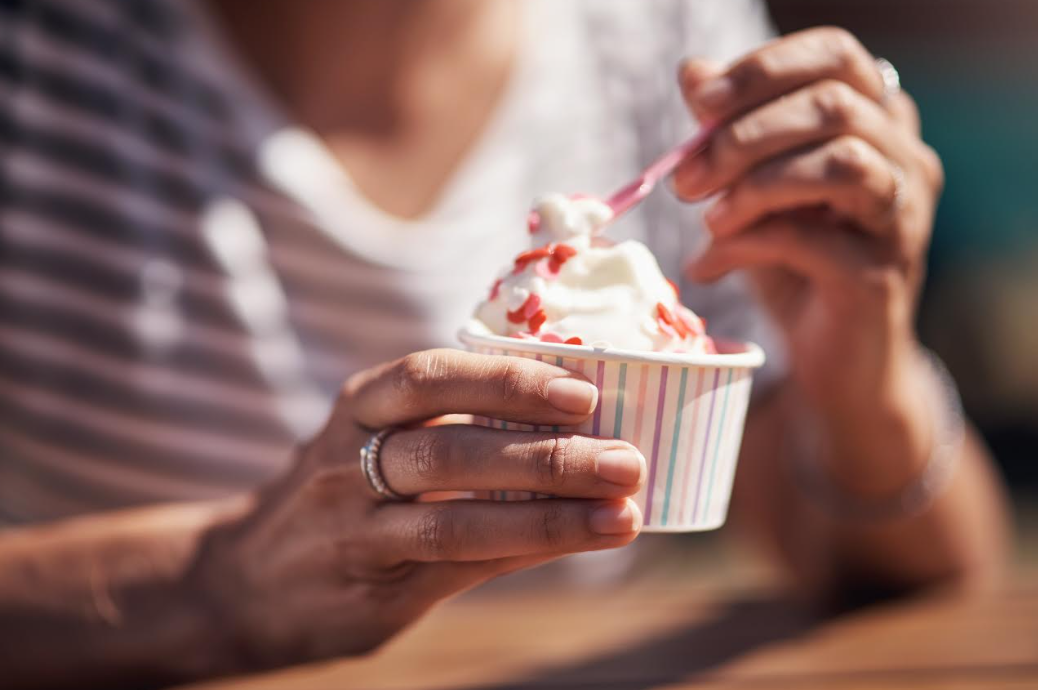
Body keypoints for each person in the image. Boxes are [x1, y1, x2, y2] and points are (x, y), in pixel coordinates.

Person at [0, 0, 1011, 687]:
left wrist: (859, 373)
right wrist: (225, 579)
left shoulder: (654, 32)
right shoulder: (47, 58)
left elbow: (918, 577)